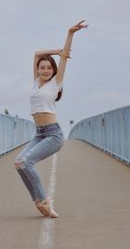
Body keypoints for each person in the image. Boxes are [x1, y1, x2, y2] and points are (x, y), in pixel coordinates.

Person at [14, 20, 88, 218]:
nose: (45, 70)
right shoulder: (36, 82)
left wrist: (69, 33)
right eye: (42, 67)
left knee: (26, 162)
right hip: (39, 134)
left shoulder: (56, 83)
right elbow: (37, 53)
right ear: (38, 70)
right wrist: (54, 50)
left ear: (54, 71)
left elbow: (64, 58)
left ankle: (43, 200)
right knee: (19, 163)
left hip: (53, 135)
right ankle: (40, 202)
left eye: (49, 68)